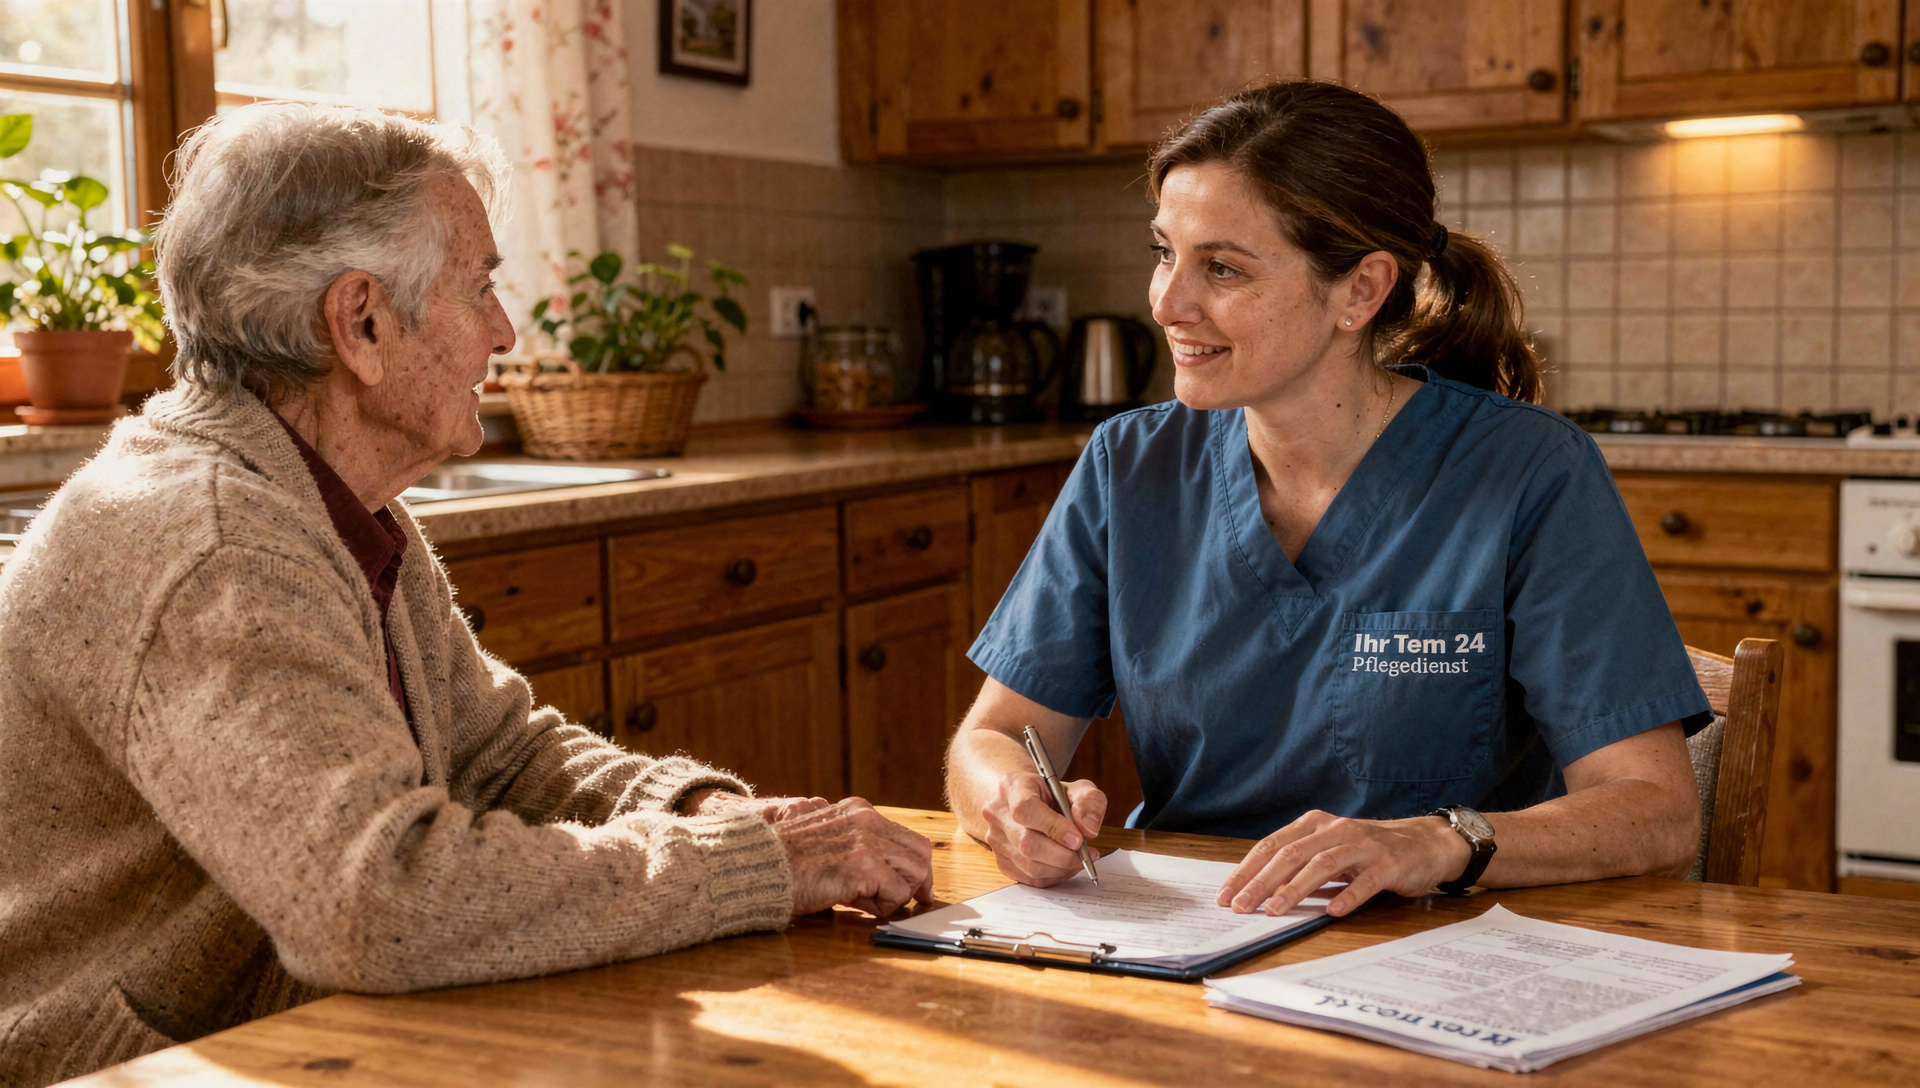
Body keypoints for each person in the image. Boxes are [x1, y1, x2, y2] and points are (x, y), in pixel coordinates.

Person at [0, 103, 931, 1088]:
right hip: (118, 1065)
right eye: (479, 287)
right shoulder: (213, 544)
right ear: (359, 321)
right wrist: (747, 868)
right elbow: (382, 901)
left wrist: (696, 805)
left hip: (282, 1031)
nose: (505, 330)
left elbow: (496, 748)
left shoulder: (330, 499)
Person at [946, 81, 1709, 921]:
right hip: (1188, 945)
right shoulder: (1131, 465)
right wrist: (1009, 802)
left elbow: (1658, 812)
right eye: (1165, 251)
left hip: (1440, 956)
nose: (1166, 301)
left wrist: (1435, 842)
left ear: (1360, 291)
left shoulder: (1530, 471)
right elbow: (991, 737)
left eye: (1222, 267)